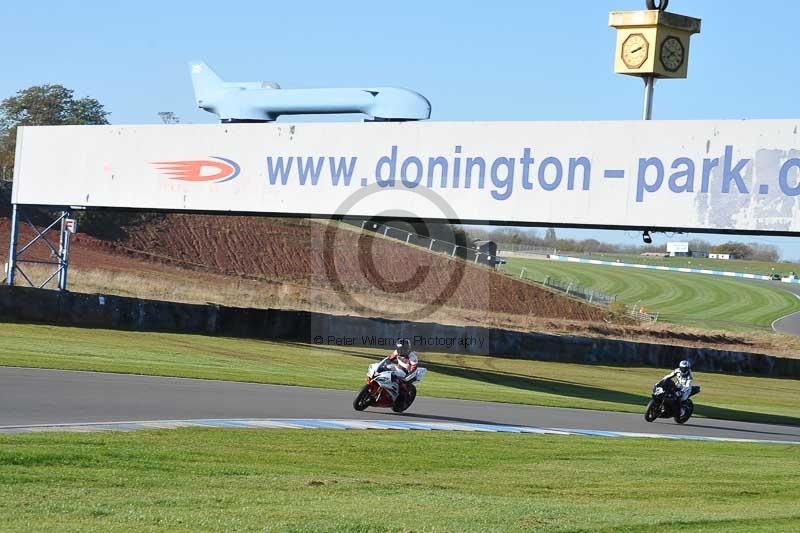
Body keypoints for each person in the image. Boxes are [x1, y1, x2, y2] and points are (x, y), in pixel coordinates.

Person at [376, 338, 419, 402]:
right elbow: (389, 359)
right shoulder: (397, 352)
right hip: (398, 368)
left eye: (403, 349)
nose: (401, 351)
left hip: (407, 373)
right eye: (399, 349)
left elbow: (414, 368)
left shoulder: (412, 356)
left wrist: (406, 378)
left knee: (402, 386)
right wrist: (380, 365)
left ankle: (401, 399)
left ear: (407, 348)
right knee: (386, 370)